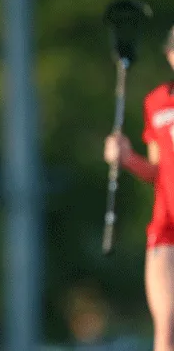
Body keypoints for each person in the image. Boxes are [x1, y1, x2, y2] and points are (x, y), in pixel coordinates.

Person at [104, 26, 174, 351]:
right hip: (166, 227)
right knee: (166, 325)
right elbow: (156, 171)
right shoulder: (156, 102)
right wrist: (126, 157)